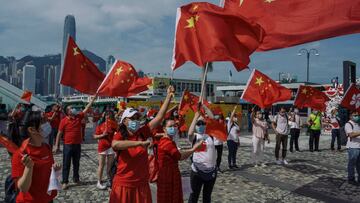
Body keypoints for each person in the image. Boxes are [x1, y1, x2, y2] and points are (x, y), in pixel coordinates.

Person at [109, 86, 174, 203]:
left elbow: (159, 117)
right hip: (124, 184)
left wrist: (168, 96)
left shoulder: (142, 132)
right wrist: (138, 143)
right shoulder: (120, 134)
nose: (136, 121)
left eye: (137, 118)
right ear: (124, 121)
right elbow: (115, 145)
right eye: (132, 118)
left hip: (141, 184)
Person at [11, 110, 61, 203]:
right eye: (43, 121)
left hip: (48, 198)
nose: (47, 124)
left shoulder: (46, 147)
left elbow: (48, 171)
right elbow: (23, 188)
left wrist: (55, 170)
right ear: (32, 130)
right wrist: (29, 168)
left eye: (46, 120)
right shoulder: (20, 154)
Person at [53, 96, 97, 190]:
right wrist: (57, 146)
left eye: (73, 108)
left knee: (76, 163)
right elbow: (59, 134)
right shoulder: (64, 121)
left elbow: (86, 108)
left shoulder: (78, 116)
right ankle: (65, 181)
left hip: (77, 145)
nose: (74, 109)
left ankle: (76, 179)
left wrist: (92, 100)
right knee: (66, 163)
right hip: (67, 145)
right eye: (71, 108)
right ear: (67, 111)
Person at [157, 117, 203, 203]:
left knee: (173, 197)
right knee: (169, 198)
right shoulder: (166, 143)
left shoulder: (169, 141)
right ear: (164, 129)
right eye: (170, 126)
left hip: (171, 173)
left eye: (174, 126)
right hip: (168, 175)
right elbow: (180, 156)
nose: (173, 128)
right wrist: (194, 149)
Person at [188, 110, 217, 203]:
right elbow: (189, 133)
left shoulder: (210, 135)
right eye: (199, 123)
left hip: (211, 172)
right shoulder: (195, 137)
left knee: (207, 197)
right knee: (194, 196)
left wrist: (204, 107)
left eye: (203, 123)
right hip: (197, 172)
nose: (201, 125)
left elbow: (212, 119)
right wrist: (196, 117)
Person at [93, 111, 118, 190]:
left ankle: (109, 181)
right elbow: (95, 136)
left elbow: (119, 133)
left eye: (109, 115)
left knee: (109, 166)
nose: (108, 117)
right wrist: (102, 135)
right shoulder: (100, 125)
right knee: (101, 165)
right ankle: (99, 182)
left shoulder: (114, 125)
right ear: (104, 116)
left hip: (111, 146)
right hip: (102, 146)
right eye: (106, 115)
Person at [344, 111, 360, 185]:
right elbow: (351, 135)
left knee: (359, 164)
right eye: (355, 115)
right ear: (350, 116)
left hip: (359, 146)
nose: (357, 116)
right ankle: (351, 179)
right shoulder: (348, 124)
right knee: (352, 164)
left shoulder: (358, 123)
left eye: (357, 115)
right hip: (353, 147)